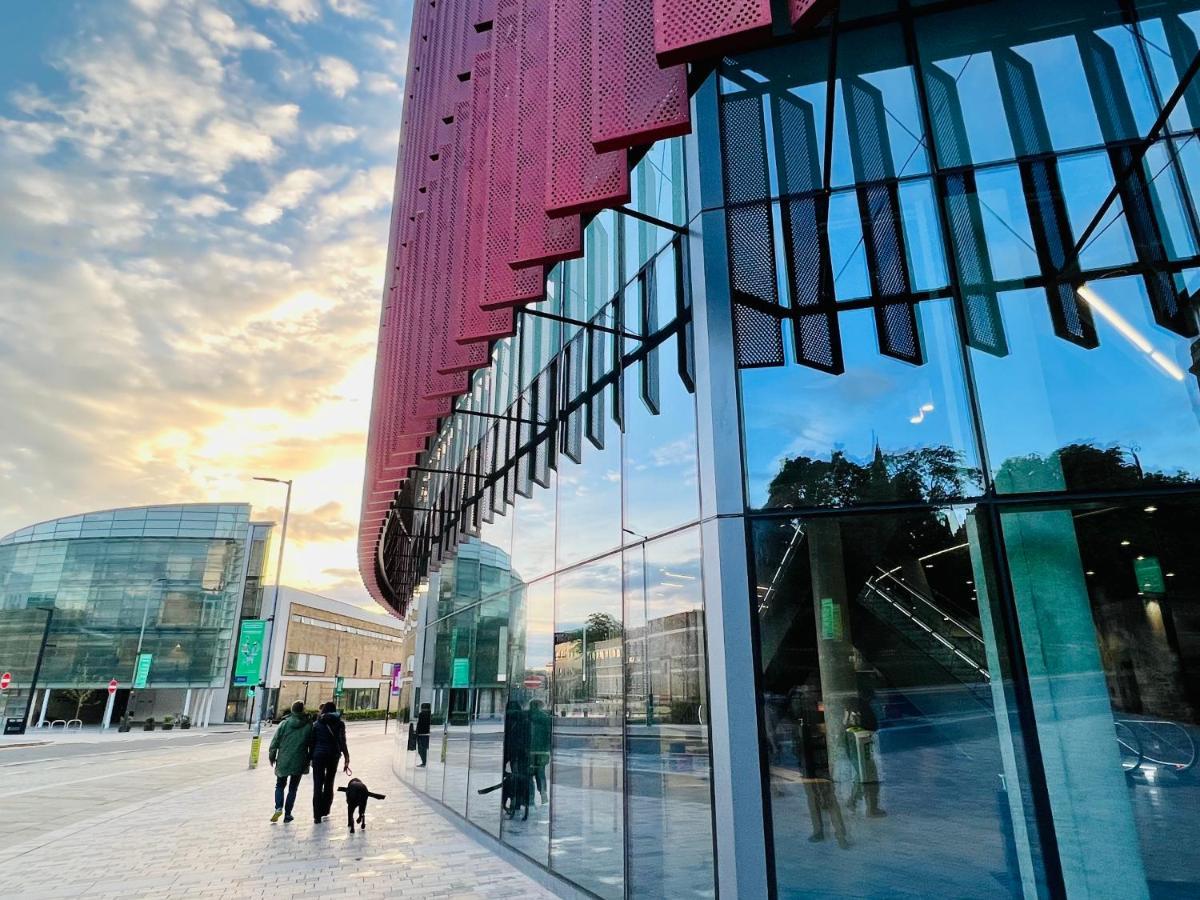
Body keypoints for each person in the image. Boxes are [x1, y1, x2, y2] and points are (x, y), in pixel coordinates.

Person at [268, 701, 312, 823]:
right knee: (293, 788)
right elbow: (311, 745)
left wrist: (272, 756)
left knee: (280, 785)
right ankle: (288, 814)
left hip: (283, 760)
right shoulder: (308, 725)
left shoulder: (284, 724)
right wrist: (309, 759)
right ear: (303, 710)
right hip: (299, 760)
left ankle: (278, 808)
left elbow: (275, 742)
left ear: (292, 710)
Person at [310, 701, 350, 823]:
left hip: (318, 755)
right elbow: (342, 741)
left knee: (317, 784)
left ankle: (317, 816)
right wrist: (347, 758)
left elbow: (312, 742)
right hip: (333, 755)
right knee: (329, 782)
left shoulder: (317, 724)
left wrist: (310, 757)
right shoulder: (340, 723)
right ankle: (325, 810)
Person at [528, 698, 551, 806]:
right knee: (540, 773)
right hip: (542, 751)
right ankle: (543, 794)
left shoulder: (527, 717)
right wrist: (548, 750)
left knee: (529, 775)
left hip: (529, 750)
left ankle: (531, 797)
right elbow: (549, 736)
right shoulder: (546, 718)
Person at [415, 702, 431, 767]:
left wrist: (416, 733)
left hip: (421, 734)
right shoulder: (430, 715)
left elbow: (419, 725)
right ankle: (424, 762)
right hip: (426, 734)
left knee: (421, 750)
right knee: (424, 749)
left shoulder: (421, 714)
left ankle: (424, 762)